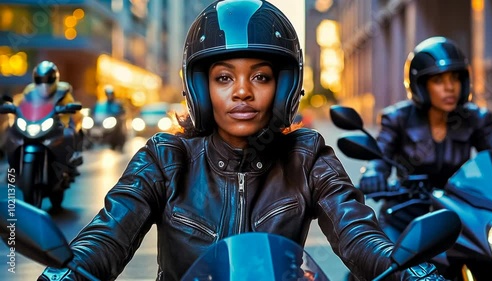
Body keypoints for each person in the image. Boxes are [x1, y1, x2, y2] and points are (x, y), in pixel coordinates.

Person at [38, 1, 446, 280]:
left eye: (261, 76)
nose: (242, 92)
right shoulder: (166, 158)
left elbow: (356, 232)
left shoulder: (306, 157)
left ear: (284, 86)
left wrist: (402, 266)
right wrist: (70, 269)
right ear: (200, 89)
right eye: (224, 77)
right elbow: (109, 234)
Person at [359, 36, 492, 241]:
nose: (450, 87)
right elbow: (379, 156)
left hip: (459, 216)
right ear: (421, 86)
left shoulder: (477, 119)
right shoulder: (397, 118)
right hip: (406, 215)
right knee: (385, 266)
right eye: (438, 80)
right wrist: (373, 174)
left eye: (455, 78)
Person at [20, 60, 84, 175]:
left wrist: (65, 113)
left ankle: (71, 160)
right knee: (13, 132)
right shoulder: (29, 90)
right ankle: (12, 169)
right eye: (40, 79)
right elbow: (22, 105)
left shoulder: (63, 90)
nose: (44, 83)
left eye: (48, 79)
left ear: (55, 78)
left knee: (69, 133)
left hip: (58, 123)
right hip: (37, 122)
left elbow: (70, 107)